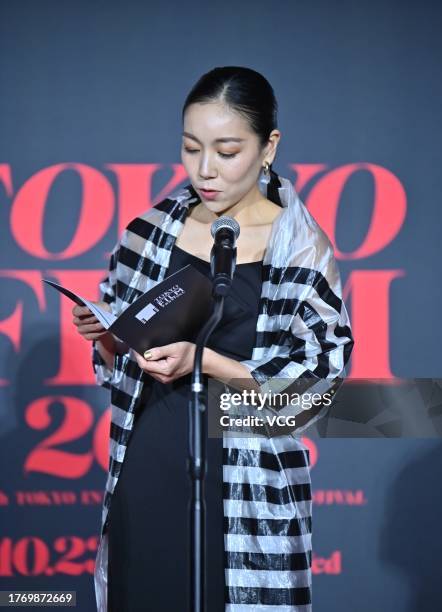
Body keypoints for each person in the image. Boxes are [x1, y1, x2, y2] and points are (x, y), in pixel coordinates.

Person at [72, 66, 354, 611]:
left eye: (227, 151)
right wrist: (107, 338)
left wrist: (210, 362)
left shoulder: (300, 246)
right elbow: (119, 352)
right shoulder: (150, 229)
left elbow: (323, 381)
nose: (205, 170)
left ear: (268, 146)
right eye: (190, 148)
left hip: (245, 476)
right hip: (150, 452)